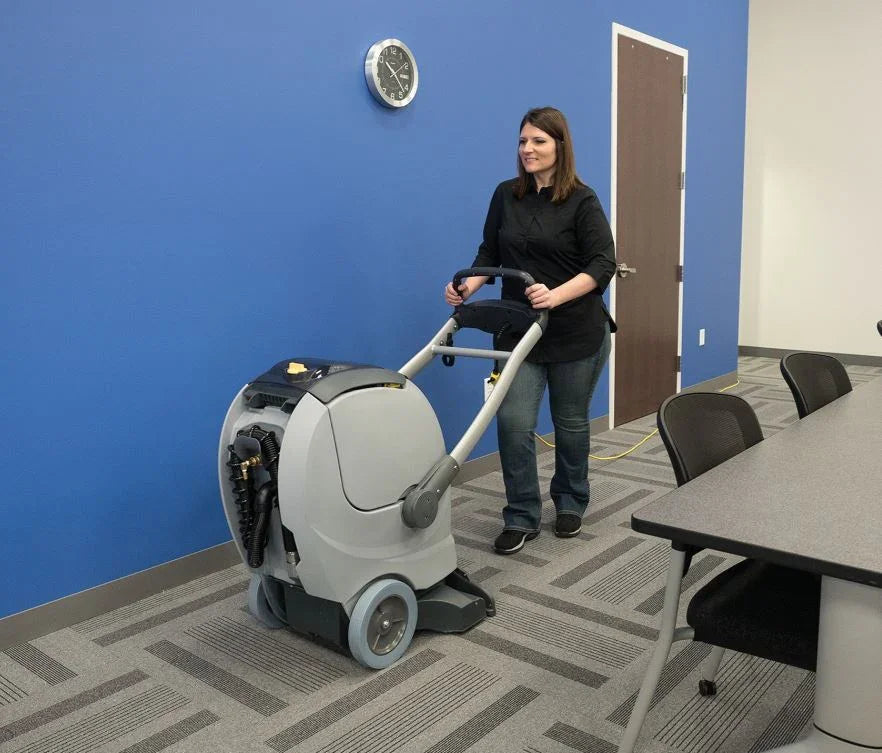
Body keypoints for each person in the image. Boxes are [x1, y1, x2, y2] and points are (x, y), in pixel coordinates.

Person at [444, 106, 616, 555]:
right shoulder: (506, 195)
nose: (528, 150)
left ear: (560, 146)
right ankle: (521, 514)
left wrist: (556, 296)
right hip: (519, 329)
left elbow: (603, 264)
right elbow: (490, 249)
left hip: (574, 330)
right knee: (513, 422)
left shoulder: (582, 200)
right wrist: (468, 284)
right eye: (523, 141)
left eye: (538, 141)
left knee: (570, 422)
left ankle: (570, 502)